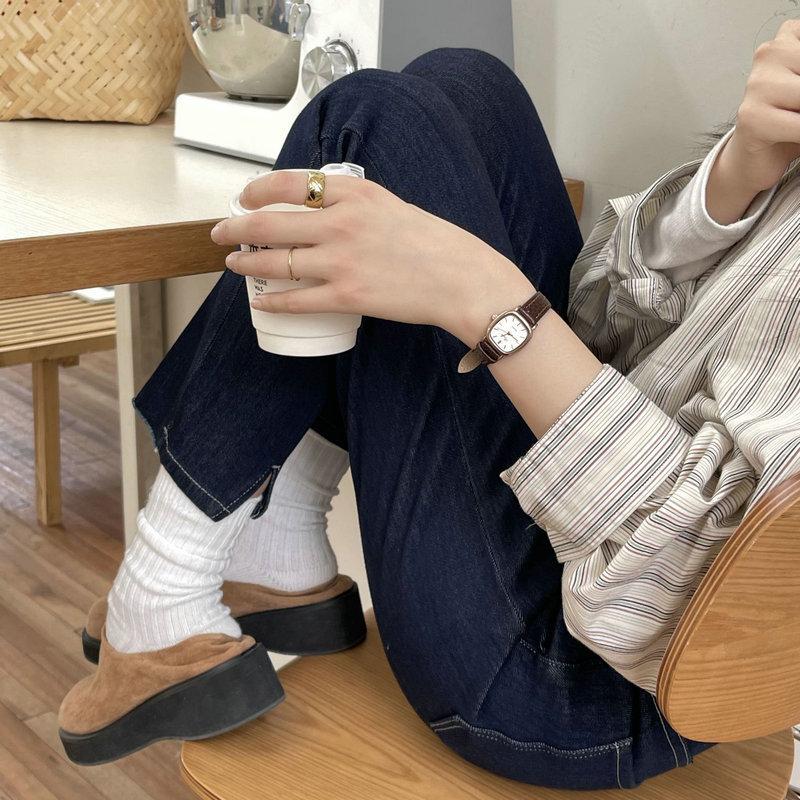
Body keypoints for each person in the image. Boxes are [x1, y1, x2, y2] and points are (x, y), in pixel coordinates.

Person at [58, 22, 800, 790]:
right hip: (580, 533)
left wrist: (482, 298)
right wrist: (737, 182)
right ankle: (280, 539)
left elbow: (690, 594)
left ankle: (163, 586)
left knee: (366, 123)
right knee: (468, 85)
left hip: (605, 678)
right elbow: (606, 313)